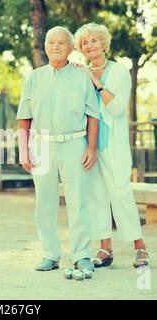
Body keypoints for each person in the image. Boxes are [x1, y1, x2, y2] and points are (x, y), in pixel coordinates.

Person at [17, 26, 99, 279]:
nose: (55, 46)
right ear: (45, 47)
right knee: (45, 203)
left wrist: (91, 147)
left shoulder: (82, 77)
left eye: (61, 43)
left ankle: (81, 254)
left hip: (75, 144)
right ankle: (50, 254)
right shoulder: (34, 77)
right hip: (41, 146)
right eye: (51, 42)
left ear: (70, 48)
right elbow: (24, 119)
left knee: (78, 202)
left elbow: (93, 115)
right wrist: (23, 151)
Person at [74, 23, 149, 268]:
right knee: (96, 195)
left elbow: (116, 108)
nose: (89, 46)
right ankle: (105, 248)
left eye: (94, 41)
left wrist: (94, 80)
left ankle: (140, 247)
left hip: (112, 145)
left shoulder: (118, 71)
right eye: (84, 43)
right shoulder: (80, 72)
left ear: (104, 43)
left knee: (120, 193)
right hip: (88, 145)